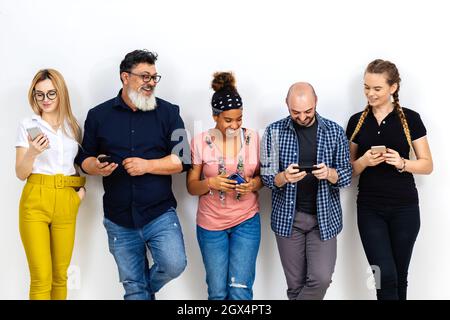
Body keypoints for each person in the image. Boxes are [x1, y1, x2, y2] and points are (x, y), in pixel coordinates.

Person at [75, 50, 190, 300]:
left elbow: (183, 159)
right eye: (145, 76)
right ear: (125, 77)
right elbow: (83, 160)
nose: (150, 82)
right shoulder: (98, 115)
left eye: (155, 77)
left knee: (174, 264)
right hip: (118, 218)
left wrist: (147, 166)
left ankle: (142, 290)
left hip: (160, 214)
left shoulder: (170, 112)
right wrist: (96, 165)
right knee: (133, 288)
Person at [346, 59, 433, 300]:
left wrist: (402, 163)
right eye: (366, 88)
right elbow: (347, 170)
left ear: (393, 87)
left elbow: (427, 164)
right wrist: (364, 161)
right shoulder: (356, 122)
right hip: (370, 209)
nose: (370, 94)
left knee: (400, 276)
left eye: (377, 88)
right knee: (384, 276)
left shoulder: (411, 119)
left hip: (405, 208)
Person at [260, 82, 352, 300]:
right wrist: (283, 177)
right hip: (288, 220)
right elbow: (266, 178)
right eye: (295, 112)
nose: (302, 117)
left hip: (324, 220)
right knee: (295, 286)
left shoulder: (334, 131)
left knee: (321, 278)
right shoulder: (273, 132)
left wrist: (330, 173)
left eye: (308, 111)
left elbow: (347, 175)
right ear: (286, 105)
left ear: (316, 102)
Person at [187, 72, 263, 300]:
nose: (235, 125)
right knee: (218, 292)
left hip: (246, 221)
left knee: (240, 291)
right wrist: (211, 182)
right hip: (211, 225)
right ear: (215, 116)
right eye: (228, 120)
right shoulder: (200, 141)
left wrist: (251, 186)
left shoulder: (253, 138)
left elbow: (262, 179)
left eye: (239, 119)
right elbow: (191, 187)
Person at [15, 69, 86, 300]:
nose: (45, 100)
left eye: (51, 94)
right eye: (39, 95)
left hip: (66, 199)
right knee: (41, 278)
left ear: (61, 94)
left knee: (60, 276)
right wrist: (33, 152)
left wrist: (78, 195)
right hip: (36, 197)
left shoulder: (72, 127)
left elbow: (74, 165)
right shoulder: (29, 125)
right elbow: (20, 172)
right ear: (33, 96)